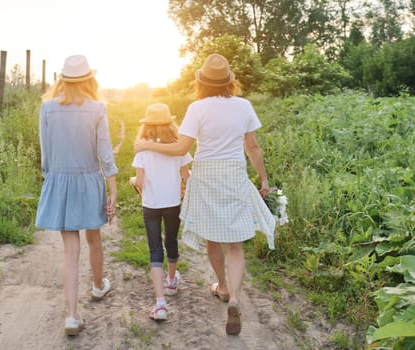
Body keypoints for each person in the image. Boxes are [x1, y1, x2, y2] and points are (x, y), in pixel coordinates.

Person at [134, 54, 275, 335]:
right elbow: (253, 147)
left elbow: (179, 148)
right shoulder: (244, 106)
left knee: (214, 237)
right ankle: (234, 297)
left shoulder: (197, 108)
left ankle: (221, 286)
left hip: (206, 173)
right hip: (234, 172)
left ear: (201, 82)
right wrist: (263, 178)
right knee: (235, 244)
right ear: (229, 82)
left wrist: (145, 145)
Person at [35, 54, 118, 336]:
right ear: (89, 80)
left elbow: (45, 154)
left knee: (70, 250)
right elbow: (104, 152)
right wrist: (113, 187)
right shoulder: (97, 108)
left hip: (60, 180)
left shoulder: (47, 109)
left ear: (62, 80)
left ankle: (72, 316)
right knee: (94, 239)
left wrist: (53, 176)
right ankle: (98, 286)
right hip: (89, 180)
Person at [130, 103, 192, 321]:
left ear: (146, 126)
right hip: (173, 203)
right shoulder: (178, 149)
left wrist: (132, 182)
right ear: (170, 124)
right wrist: (183, 188)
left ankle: (160, 304)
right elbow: (186, 177)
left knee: (155, 248)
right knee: (171, 240)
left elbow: (139, 181)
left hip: (151, 205)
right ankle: (172, 281)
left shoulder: (143, 151)